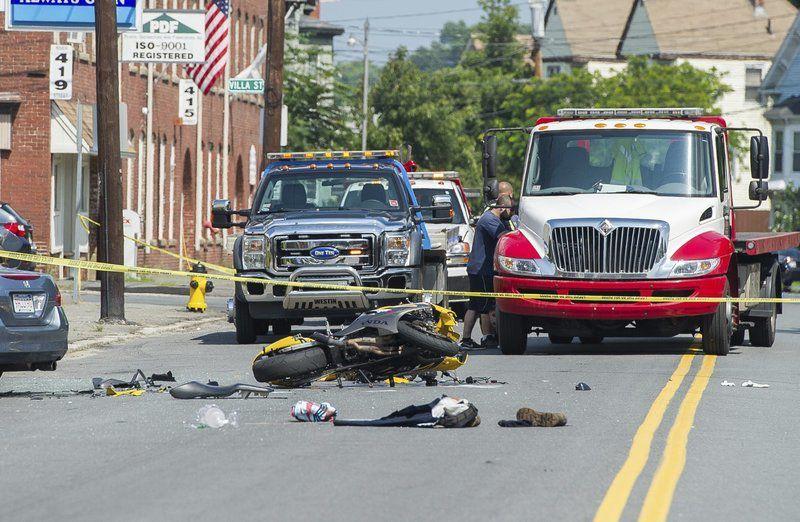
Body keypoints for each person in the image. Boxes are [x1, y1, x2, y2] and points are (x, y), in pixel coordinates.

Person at [460, 193, 513, 350]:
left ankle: (466, 339)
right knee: (485, 307)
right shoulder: (491, 220)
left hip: (479, 268)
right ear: (503, 208)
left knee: (474, 306)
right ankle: (487, 338)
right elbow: (504, 237)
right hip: (482, 269)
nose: (510, 213)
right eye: (510, 210)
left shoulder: (490, 218)